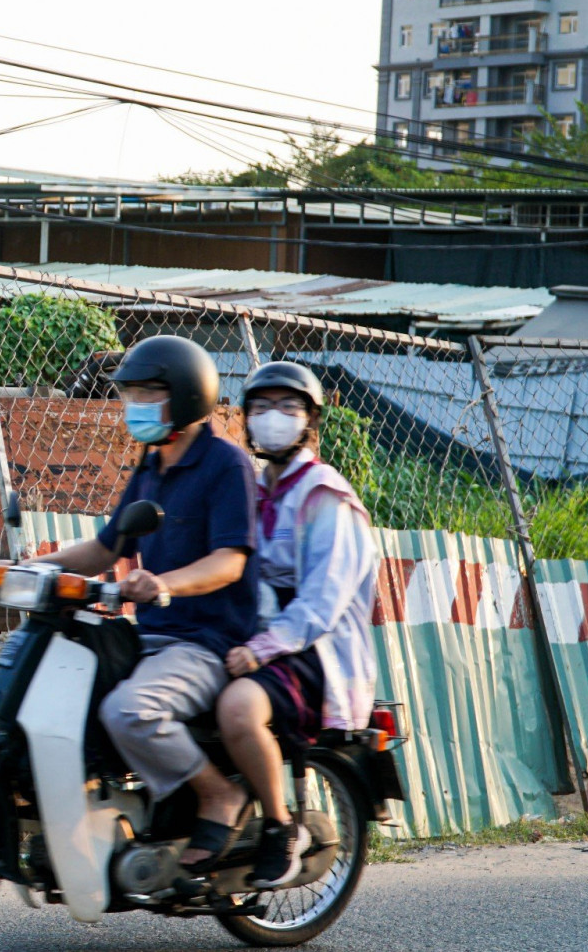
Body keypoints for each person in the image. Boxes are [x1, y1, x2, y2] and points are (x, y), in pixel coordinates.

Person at [25, 334, 262, 871]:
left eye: (146, 394)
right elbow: (106, 547)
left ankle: (218, 795)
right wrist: (34, 567)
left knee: (129, 711)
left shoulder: (227, 466)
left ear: (183, 396)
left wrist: (166, 584)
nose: (133, 407)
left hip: (205, 640)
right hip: (152, 637)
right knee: (62, 696)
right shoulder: (151, 466)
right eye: (129, 395)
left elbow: (231, 560)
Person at [216, 361, 378, 888]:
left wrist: (261, 649)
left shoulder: (324, 496)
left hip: (314, 651)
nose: (272, 418)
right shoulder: (252, 488)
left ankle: (281, 827)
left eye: (288, 407)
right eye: (261, 407)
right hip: (254, 638)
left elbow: (321, 603)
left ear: (310, 420)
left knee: (239, 709)